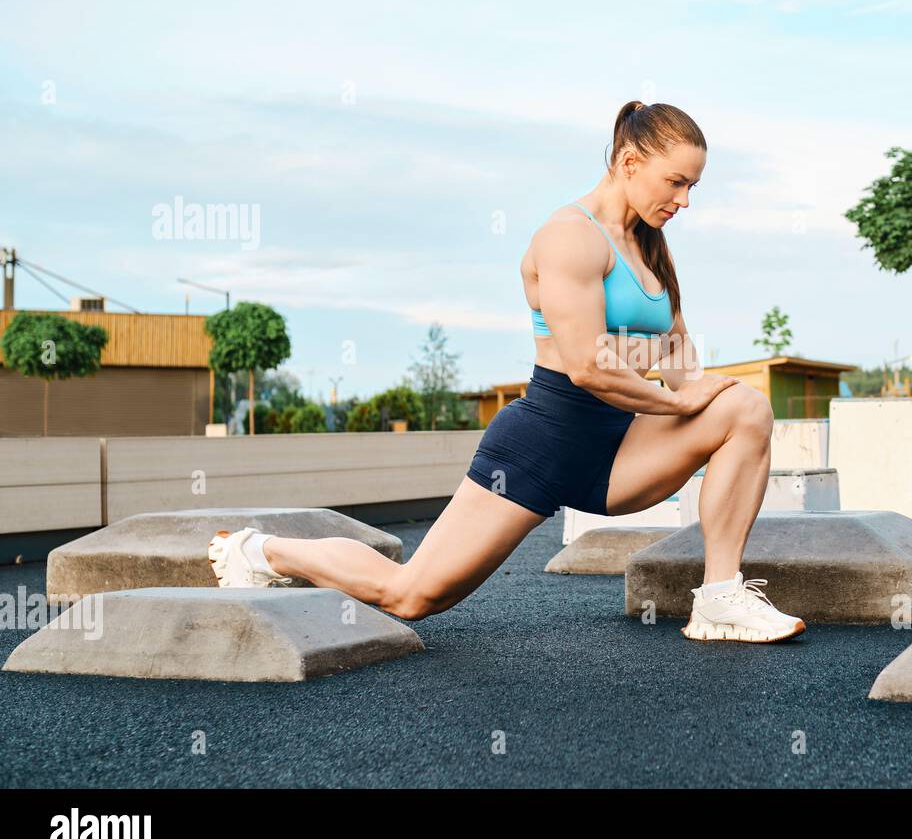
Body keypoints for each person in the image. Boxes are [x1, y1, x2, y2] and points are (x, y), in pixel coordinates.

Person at [208, 100, 804, 643]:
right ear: (628, 161)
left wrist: (695, 391)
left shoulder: (650, 247)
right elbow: (588, 367)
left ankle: (721, 597)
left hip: (621, 445)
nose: (684, 201)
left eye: (692, 186)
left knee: (745, 407)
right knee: (412, 593)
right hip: (544, 438)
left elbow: (679, 361)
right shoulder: (570, 236)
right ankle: (262, 552)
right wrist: (675, 402)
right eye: (675, 182)